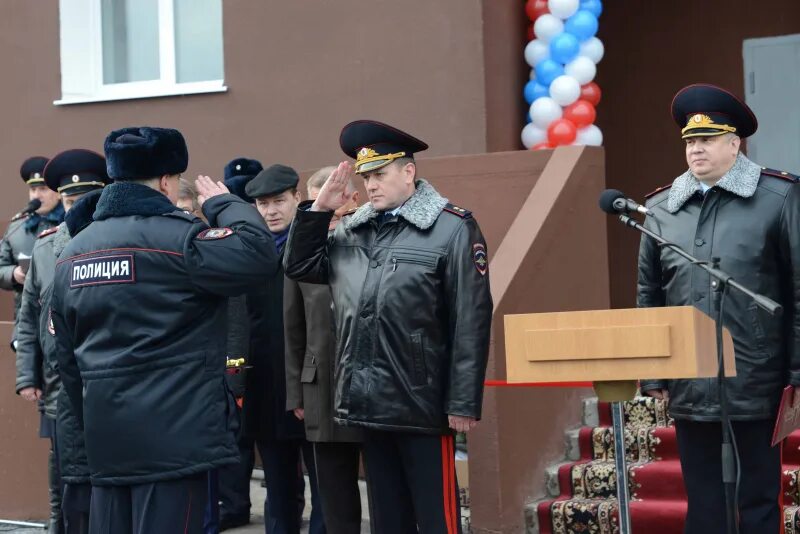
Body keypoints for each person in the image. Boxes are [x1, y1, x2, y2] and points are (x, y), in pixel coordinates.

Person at [50, 126, 278, 533]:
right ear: (167, 181)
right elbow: (259, 255)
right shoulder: (180, 239)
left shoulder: (72, 252)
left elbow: (65, 358)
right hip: (176, 442)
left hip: (108, 440)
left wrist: (95, 418)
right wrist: (224, 203)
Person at [284, 120, 493, 533]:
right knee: (388, 519)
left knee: (436, 519)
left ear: (408, 171)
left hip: (422, 403)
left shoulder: (452, 228)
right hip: (368, 403)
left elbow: (471, 318)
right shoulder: (354, 229)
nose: (371, 186)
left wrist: (463, 401)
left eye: (380, 175)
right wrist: (319, 210)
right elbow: (300, 266)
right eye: (366, 178)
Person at [638, 84, 800, 534]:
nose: (696, 149)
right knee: (705, 501)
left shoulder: (779, 197)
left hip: (757, 379)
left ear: (734, 143)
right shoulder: (660, 208)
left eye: (707, 139)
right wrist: (654, 373)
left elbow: (798, 289)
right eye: (690, 141)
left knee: (758, 500)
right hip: (690, 381)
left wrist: (796, 372)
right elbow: (650, 294)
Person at [14, 149, 110, 534]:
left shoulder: (114, 241)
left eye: (87, 200)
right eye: (70, 202)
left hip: (107, 383)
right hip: (57, 386)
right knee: (66, 473)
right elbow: (28, 317)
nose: (77, 209)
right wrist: (27, 375)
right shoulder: (45, 246)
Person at [241, 164, 325, 534]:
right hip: (264, 383)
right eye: (263, 204)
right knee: (277, 486)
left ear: (296, 198)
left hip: (312, 380)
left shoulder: (314, 242)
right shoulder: (248, 251)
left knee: (325, 482)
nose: (271, 211)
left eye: (279, 201)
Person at [284, 166, 363, 534]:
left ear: (354, 198)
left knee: (385, 483)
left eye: (334, 203)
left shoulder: (372, 240)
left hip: (368, 382)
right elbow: (293, 327)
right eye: (319, 205)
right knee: (333, 488)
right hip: (322, 385)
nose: (327, 212)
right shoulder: (302, 249)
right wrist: (296, 391)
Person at [216, 157, 263, 531]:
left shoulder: (265, 237)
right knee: (236, 438)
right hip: (237, 356)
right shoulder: (220, 240)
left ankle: (279, 506)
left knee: (275, 442)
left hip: (270, 352)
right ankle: (233, 504)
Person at [1, 156, 63, 334]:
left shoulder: (69, 224)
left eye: (43, 188)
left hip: (60, 319)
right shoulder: (17, 226)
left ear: (58, 192)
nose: (37, 195)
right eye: (33, 189)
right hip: (25, 321)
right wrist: (14, 274)